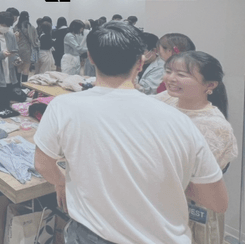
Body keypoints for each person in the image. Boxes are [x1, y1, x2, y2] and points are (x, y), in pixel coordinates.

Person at [34, 22, 228, 244]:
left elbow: (43, 165)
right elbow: (218, 202)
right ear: (140, 62)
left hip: (91, 236)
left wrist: (61, 182)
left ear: (91, 58)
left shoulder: (63, 106)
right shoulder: (180, 121)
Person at [157, 51, 238, 244]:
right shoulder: (165, 99)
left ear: (210, 85)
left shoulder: (214, 126)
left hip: (191, 209)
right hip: (160, 201)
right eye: (168, 71)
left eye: (182, 74)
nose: (171, 78)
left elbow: (198, 182)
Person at [14, 11, 39, 81]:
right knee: (26, 68)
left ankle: (17, 84)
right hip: (27, 49)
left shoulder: (16, 27)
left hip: (18, 49)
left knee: (18, 67)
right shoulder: (31, 28)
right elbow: (35, 39)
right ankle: (24, 84)